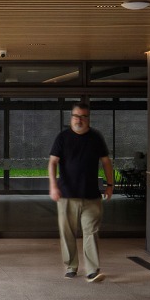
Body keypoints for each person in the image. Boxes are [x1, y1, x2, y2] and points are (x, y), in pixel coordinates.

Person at [48, 102, 114, 282]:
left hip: (91, 195)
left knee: (91, 232)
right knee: (67, 233)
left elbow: (106, 162)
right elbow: (53, 162)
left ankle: (92, 270)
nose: (79, 120)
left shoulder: (96, 137)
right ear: (71, 118)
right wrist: (53, 186)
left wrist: (110, 185)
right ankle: (71, 267)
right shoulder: (62, 137)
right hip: (67, 195)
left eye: (83, 116)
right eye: (76, 116)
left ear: (88, 119)